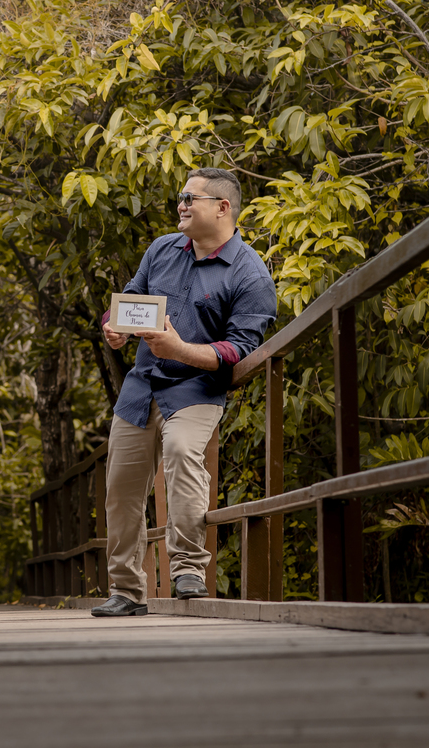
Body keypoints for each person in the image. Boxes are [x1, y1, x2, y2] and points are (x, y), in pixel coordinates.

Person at [91, 168, 276, 616]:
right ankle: (126, 591)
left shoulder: (251, 275)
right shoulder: (161, 249)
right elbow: (130, 300)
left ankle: (188, 568)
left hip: (196, 388)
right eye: (181, 198)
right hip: (141, 387)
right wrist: (113, 327)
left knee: (180, 453)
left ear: (222, 207)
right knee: (121, 486)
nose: (181, 205)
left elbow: (240, 349)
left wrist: (180, 349)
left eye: (190, 198)